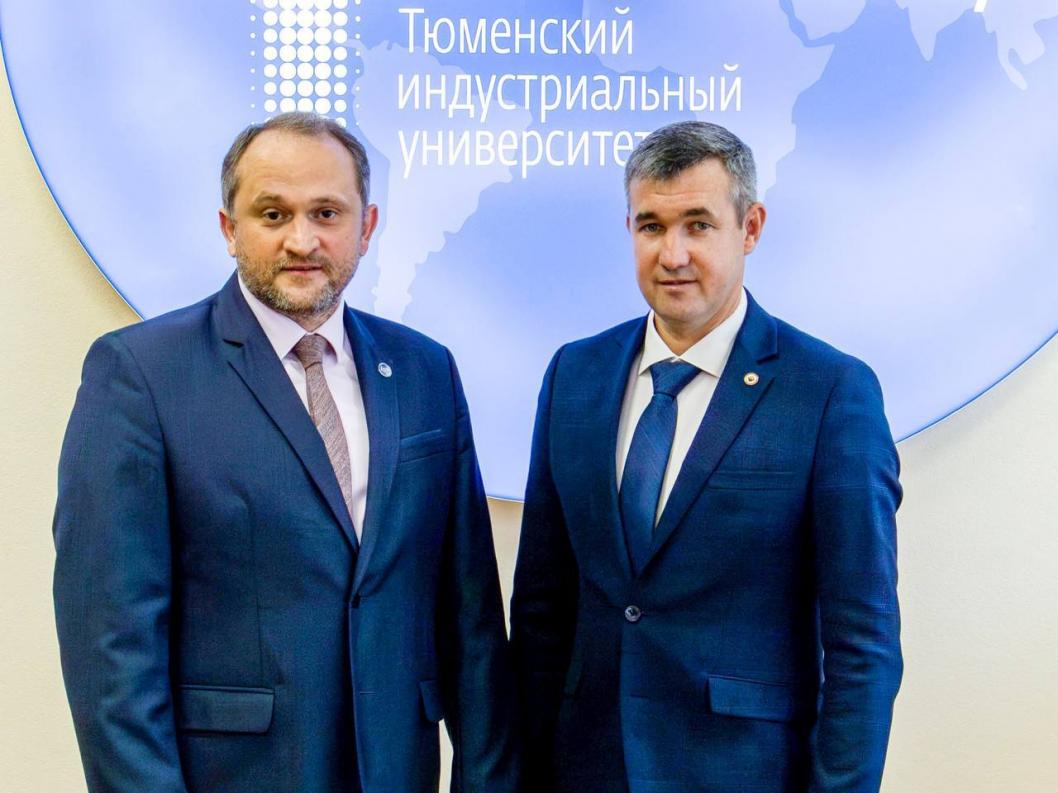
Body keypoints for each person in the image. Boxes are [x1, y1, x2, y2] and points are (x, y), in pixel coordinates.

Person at [53, 112, 518, 793]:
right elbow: (112, 644)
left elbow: (470, 621)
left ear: (367, 225)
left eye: (326, 213)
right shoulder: (142, 375)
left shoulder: (425, 371)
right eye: (273, 214)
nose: (302, 240)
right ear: (228, 228)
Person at [510, 120, 902, 793]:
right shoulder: (574, 374)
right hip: (585, 771)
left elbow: (862, 643)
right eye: (652, 226)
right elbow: (541, 610)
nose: (673, 254)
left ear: (750, 228)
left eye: (698, 225)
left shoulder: (830, 391)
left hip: (744, 773)